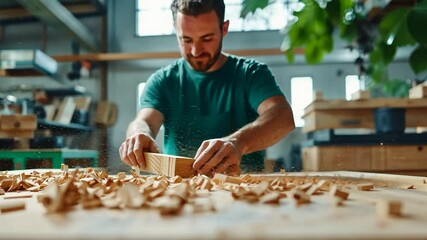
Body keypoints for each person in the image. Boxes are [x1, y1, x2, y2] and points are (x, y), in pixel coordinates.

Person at [120, 0, 295, 175]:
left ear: (224, 29)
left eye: (207, 39)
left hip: (244, 190)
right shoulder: (162, 81)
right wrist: (138, 134)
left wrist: (237, 142)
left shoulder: (250, 73)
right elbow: (145, 122)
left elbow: (283, 117)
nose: (196, 51)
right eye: (186, 40)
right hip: (177, 191)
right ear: (176, 30)